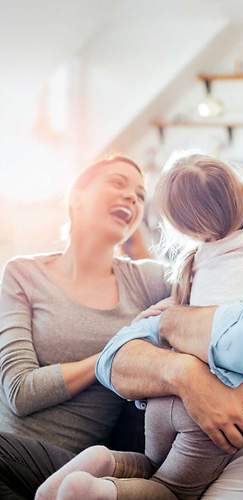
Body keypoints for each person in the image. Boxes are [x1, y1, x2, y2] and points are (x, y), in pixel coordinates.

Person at [37, 147, 243, 500]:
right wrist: (186, 374)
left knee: (152, 464)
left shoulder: (195, 263)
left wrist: (170, 326)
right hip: (207, 420)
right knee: (170, 491)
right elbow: (113, 358)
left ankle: (106, 465)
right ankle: (102, 492)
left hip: (162, 408)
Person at [0, 155, 170, 499]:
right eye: (118, 183)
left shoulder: (147, 281)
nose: (131, 198)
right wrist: (112, 355)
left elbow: (210, 276)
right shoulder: (23, 274)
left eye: (139, 195)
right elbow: (19, 391)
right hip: (11, 454)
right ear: (76, 195)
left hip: (70, 466)